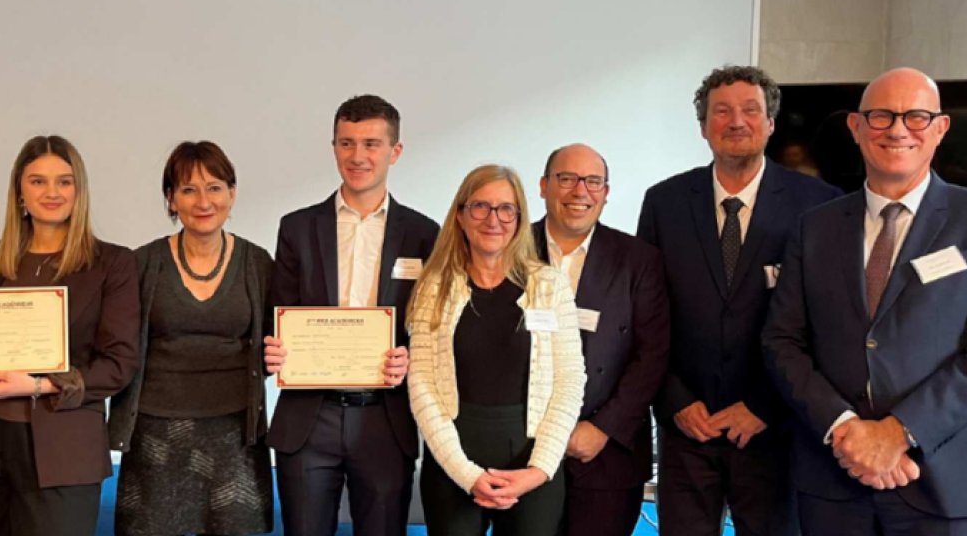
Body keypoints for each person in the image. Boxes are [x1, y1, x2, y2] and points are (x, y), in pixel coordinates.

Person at [762, 67, 967, 535]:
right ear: (855, 127)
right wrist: (847, 430)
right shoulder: (815, 227)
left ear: (940, 128)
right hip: (835, 477)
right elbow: (782, 341)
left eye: (916, 116)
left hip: (951, 481)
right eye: (881, 115)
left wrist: (896, 433)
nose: (897, 129)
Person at [637, 65, 841, 536]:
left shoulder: (820, 205)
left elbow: (829, 323)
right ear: (703, 126)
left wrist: (767, 406)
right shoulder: (663, 202)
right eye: (721, 112)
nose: (736, 122)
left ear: (770, 123)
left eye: (751, 110)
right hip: (688, 429)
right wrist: (674, 402)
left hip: (776, 429)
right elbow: (645, 316)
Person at [0, 135, 140, 536]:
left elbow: (119, 364)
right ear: (19, 192)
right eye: (38, 181)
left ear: (79, 191)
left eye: (65, 181)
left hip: (62, 446)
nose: (52, 192)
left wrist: (40, 384)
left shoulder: (113, 263)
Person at [263, 94, 439, 536]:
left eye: (371, 144)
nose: (357, 156)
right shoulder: (297, 227)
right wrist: (276, 347)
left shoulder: (423, 233)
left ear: (394, 152)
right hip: (308, 416)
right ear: (334, 146)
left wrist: (411, 355)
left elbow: (433, 326)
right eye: (346, 143)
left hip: (385, 417)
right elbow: (277, 314)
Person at [407, 164, 586, 535]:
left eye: (506, 209)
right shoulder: (434, 287)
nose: (494, 219)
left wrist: (538, 470)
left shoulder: (549, 286)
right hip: (453, 458)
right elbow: (421, 381)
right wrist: (465, 473)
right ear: (460, 214)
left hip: (532, 460)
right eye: (480, 207)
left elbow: (570, 380)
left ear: (519, 218)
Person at [108, 141, 274, 535]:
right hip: (156, 433)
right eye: (188, 189)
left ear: (232, 194)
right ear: (170, 199)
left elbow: (274, 344)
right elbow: (119, 345)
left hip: (235, 431)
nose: (204, 201)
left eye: (215, 187)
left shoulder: (257, 262)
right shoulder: (141, 263)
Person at [532, 144, 669, 536]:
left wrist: (603, 428)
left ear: (606, 193)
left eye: (593, 181)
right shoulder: (510, 250)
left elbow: (653, 353)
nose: (580, 192)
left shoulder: (638, 259)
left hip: (606, 453)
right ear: (544, 186)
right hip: (524, 448)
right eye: (567, 179)